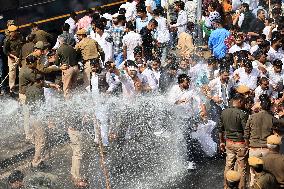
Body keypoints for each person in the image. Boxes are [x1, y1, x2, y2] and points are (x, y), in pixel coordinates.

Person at [218, 94, 249, 189]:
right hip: (240, 144)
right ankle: (241, 187)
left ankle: (226, 186)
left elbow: (220, 129)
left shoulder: (224, 112)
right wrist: (247, 145)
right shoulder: (242, 114)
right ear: (239, 101)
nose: (244, 104)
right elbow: (246, 132)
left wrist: (221, 142)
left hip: (229, 142)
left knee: (228, 165)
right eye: (243, 102)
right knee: (241, 168)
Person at [3, 25, 24, 95]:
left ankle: (23, 87)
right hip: (12, 58)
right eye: (14, 31)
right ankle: (11, 89)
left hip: (20, 57)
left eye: (16, 31)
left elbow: (22, 47)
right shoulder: (7, 40)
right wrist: (14, 57)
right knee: (12, 74)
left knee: (22, 72)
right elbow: (5, 51)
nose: (15, 32)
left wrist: (20, 57)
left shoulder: (20, 37)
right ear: (10, 32)